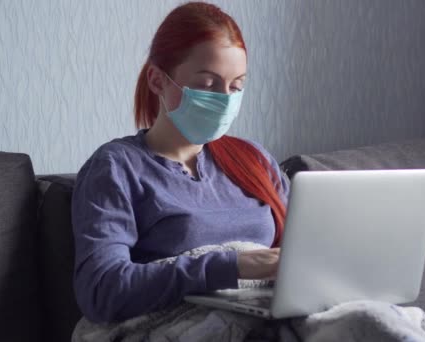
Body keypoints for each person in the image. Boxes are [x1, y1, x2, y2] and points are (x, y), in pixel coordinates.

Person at [71, 1, 289, 324]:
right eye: (207, 84)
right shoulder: (116, 168)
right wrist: (234, 265)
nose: (224, 99)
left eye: (236, 86)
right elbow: (102, 289)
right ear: (158, 81)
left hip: (273, 314)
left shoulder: (254, 160)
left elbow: (307, 253)